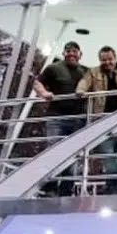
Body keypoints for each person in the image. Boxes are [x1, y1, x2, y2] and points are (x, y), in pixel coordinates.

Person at [75, 45, 117, 193]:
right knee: (106, 154)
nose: (107, 62)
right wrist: (81, 91)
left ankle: (113, 188)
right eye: (104, 60)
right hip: (101, 120)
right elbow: (84, 83)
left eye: (110, 59)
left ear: (115, 58)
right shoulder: (93, 72)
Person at [32, 41, 88, 195]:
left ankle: (67, 188)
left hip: (78, 119)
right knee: (53, 151)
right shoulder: (54, 68)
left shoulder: (86, 72)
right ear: (64, 53)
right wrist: (44, 94)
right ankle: (50, 186)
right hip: (56, 117)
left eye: (74, 51)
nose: (71, 54)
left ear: (80, 54)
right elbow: (37, 83)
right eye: (68, 51)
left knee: (73, 154)